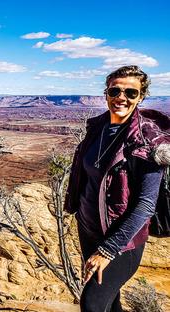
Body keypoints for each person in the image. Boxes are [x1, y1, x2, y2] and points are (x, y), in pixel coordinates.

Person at [64, 65, 170, 312]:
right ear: (106, 93)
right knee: (111, 304)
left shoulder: (147, 140)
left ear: (141, 96)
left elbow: (145, 205)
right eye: (115, 91)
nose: (121, 98)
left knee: (92, 304)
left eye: (131, 93)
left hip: (123, 241)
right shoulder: (98, 128)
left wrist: (108, 249)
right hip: (89, 231)